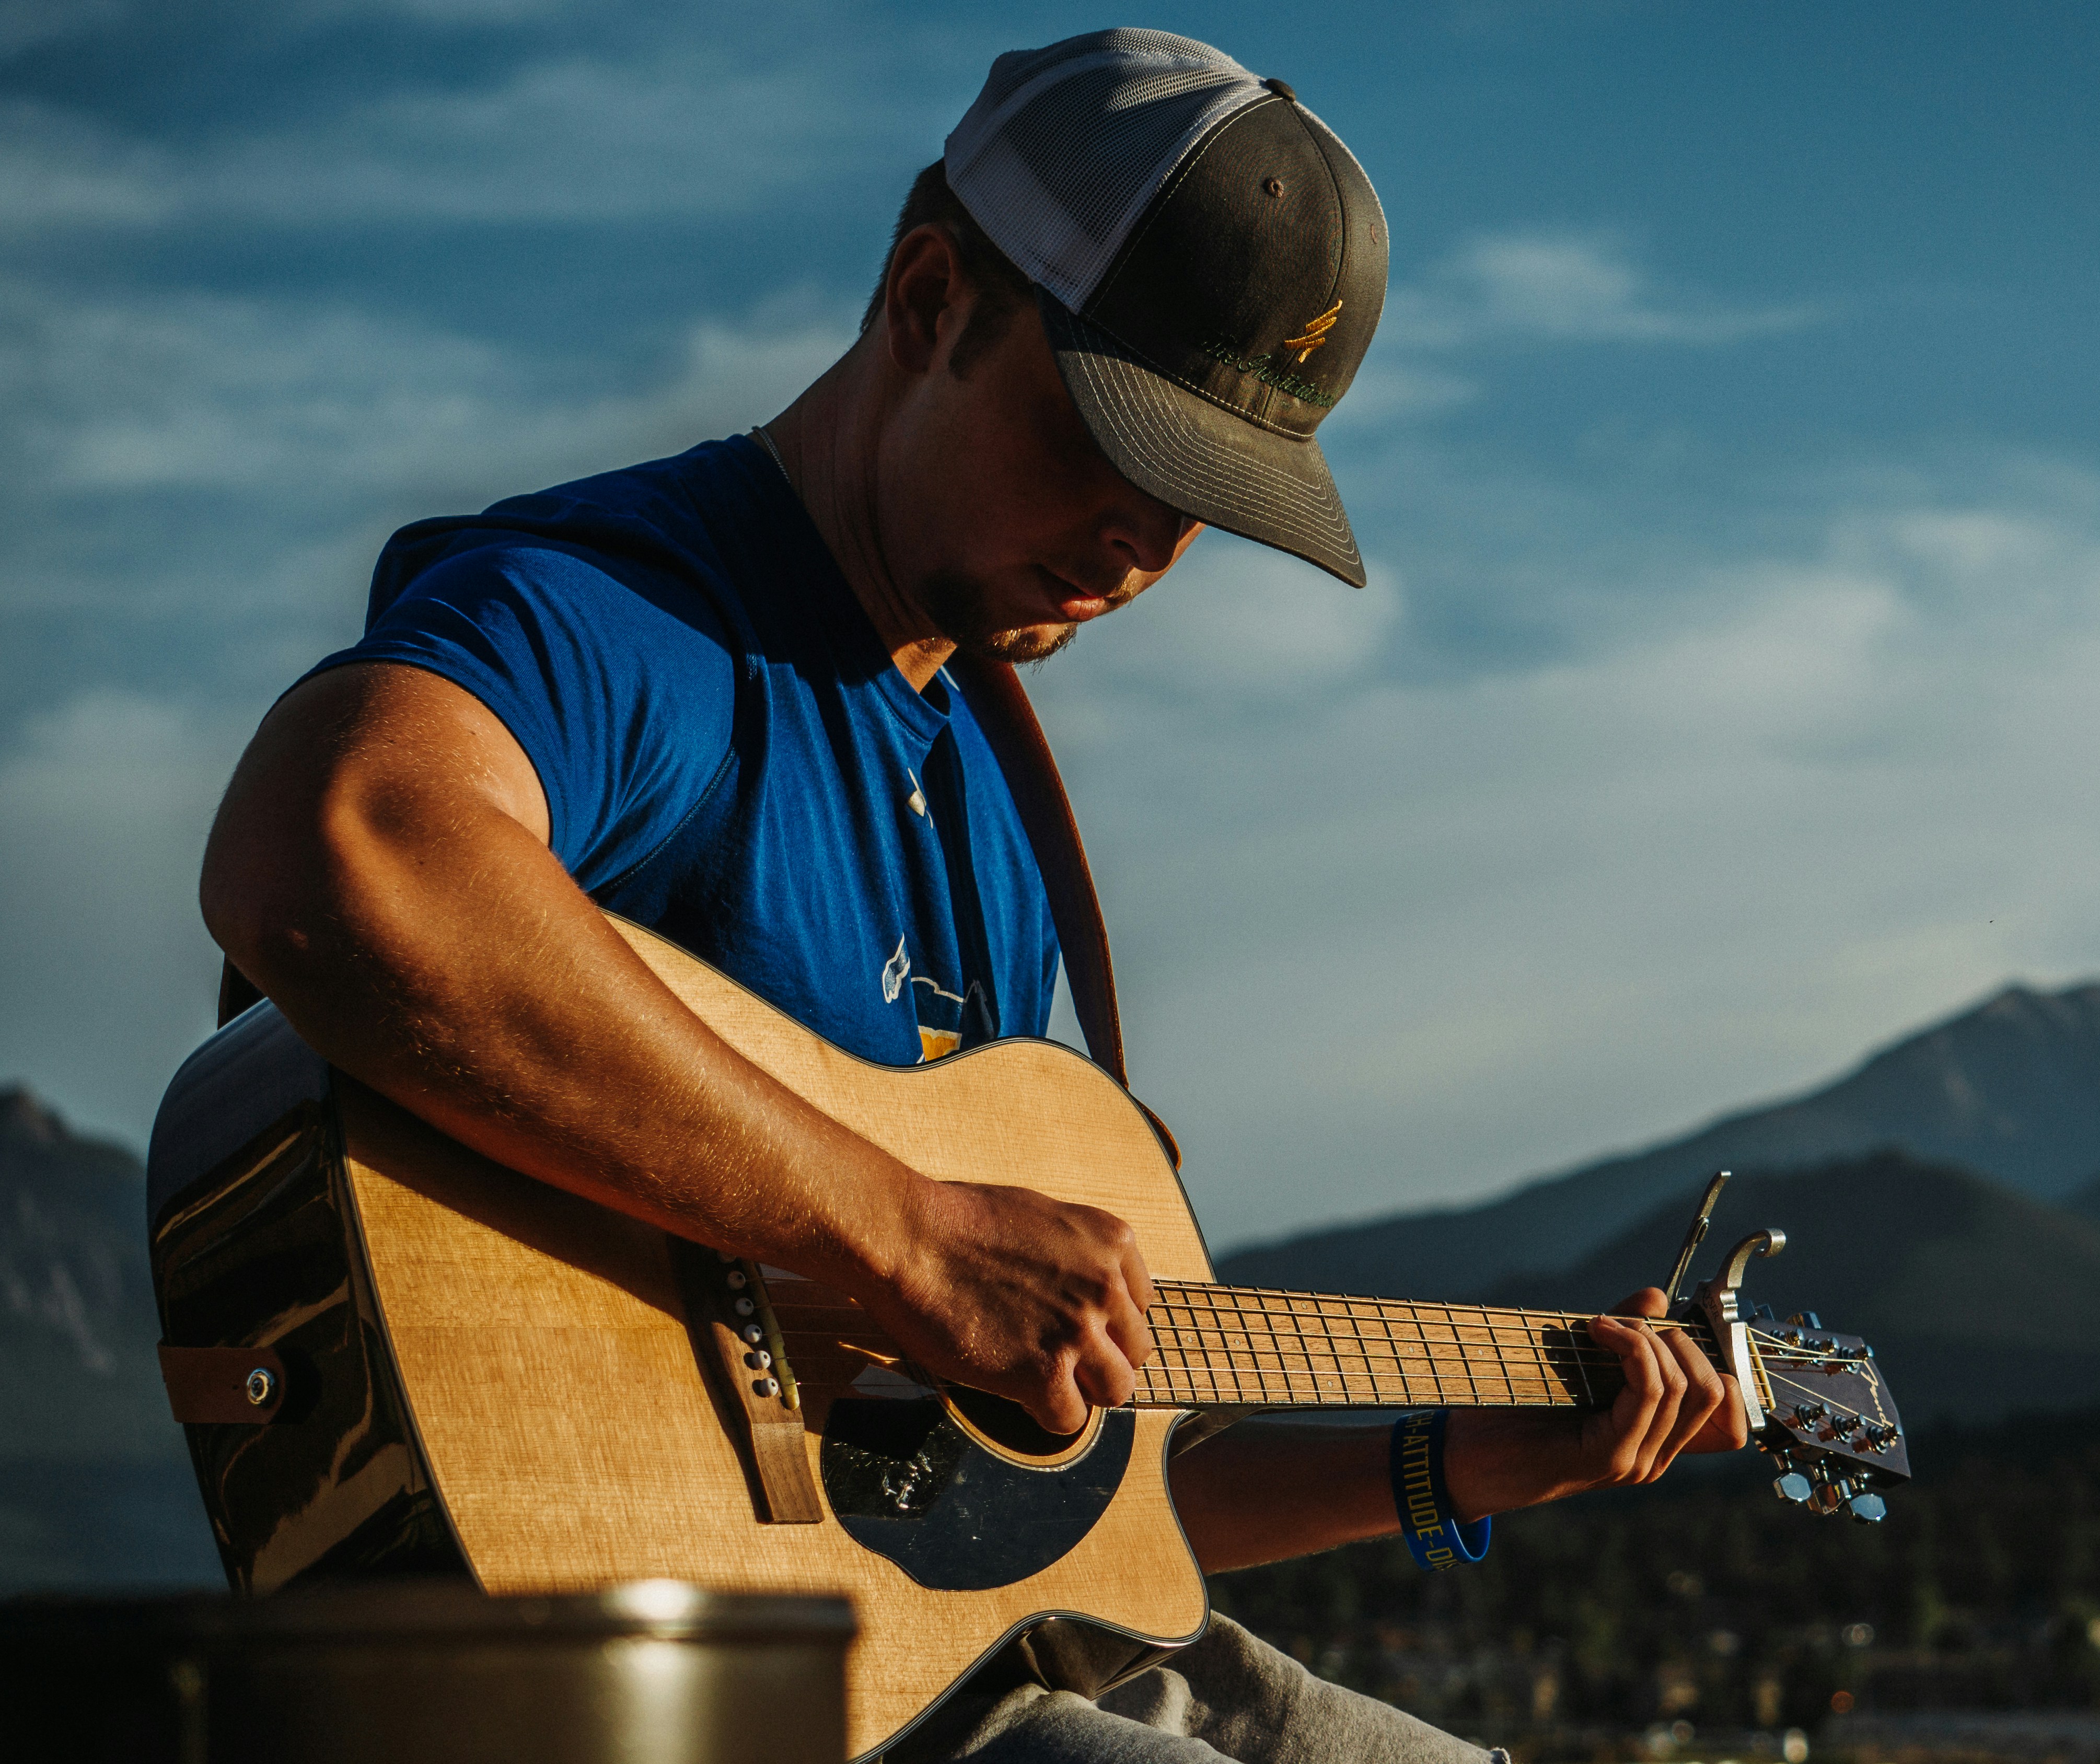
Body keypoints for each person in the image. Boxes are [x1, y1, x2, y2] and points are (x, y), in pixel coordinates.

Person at [198, 30, 1742, 1763]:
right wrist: (902, 1235)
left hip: (968, 1670)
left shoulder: (989, 792)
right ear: (933, 299)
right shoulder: (632, 615)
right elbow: (338, 850)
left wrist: (1456, 1459)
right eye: (1114, 443)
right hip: (677, 1685)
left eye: (1206, 500)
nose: (1146, 544)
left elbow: (1047, 1510)